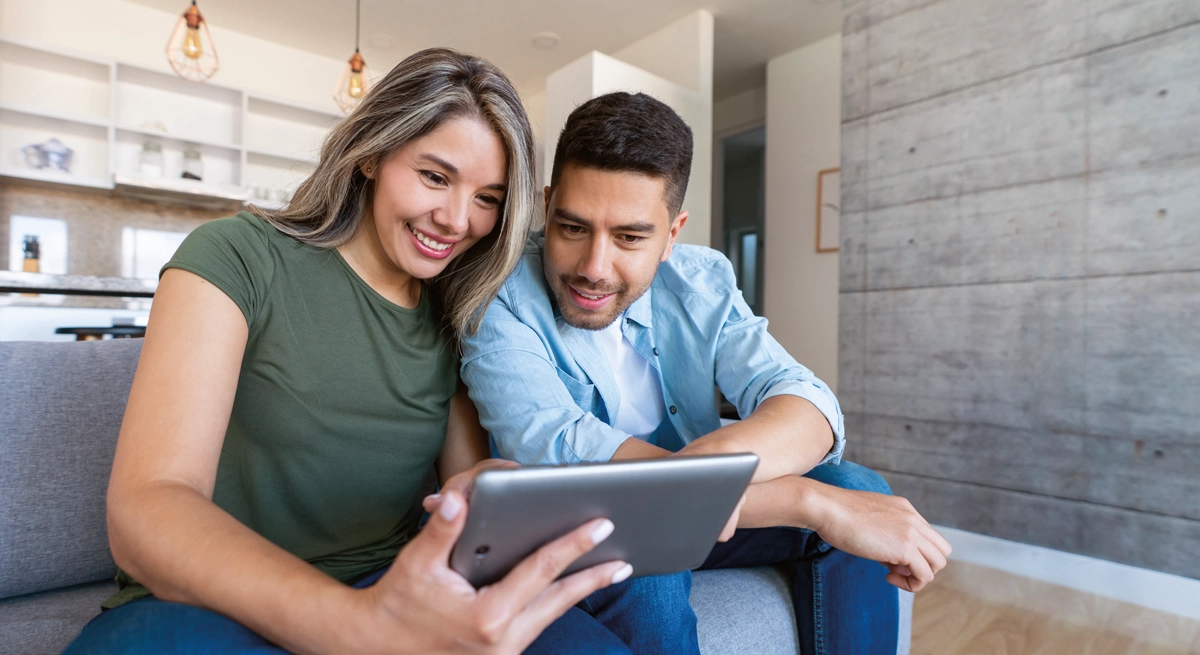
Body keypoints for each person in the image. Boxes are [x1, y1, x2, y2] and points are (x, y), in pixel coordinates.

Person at [64, 49, 643, 655]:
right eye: (435, 177)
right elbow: (147, 507)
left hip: (389, 585)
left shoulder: (455, 311)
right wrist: (358, 624)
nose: (455, 220)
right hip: (206, 603)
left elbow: (462, 481)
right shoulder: (237, 256)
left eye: (487, 198)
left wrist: (493, 488)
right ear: (370, 151)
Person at [460, 92, 954, 655]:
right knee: (649, 561)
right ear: (547, 207)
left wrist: (700, 489)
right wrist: (807, 502)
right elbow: (558, 454)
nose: (594, 268)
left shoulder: (703, 280)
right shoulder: (498, 293)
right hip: (575, 528)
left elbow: (804, 401)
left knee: (860, 487)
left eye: (629, 237)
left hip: (704, 517)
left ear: (673, 233)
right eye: (572, 227)